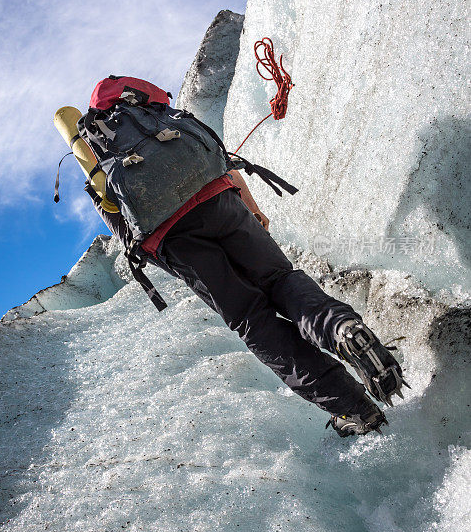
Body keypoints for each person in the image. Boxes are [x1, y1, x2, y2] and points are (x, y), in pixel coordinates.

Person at [85, 157, 407, 438]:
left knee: (254, 322)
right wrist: (252, 210)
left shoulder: (101, 166)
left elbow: (128, 234)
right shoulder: (154, 117)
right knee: (281, 280)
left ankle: (354, 408)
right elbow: (223, 164)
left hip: (175, 238)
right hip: (222, 202)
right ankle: (340, 328)